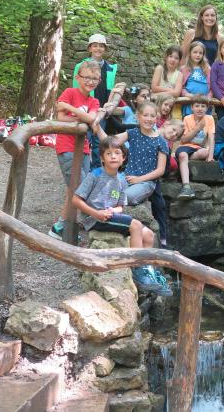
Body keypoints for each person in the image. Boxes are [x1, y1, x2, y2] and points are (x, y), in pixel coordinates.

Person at [72, 137, 171, 295]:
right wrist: (96, 213)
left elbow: (120, 206)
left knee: (149, 234)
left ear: (123, 157)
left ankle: (149, 273)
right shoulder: (95, 175)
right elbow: (76, 200)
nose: (113, 156)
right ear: (102, 158)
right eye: (109, 153)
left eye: (117, 153)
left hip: (110, 216)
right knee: (136, 225)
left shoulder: (121, 180)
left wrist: (113, 211)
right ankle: (138, 270)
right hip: (94, 218)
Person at [49, 61, 100, 240]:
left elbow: (90, 117)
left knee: (75, 188)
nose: (90, 81)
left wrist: (69, 108)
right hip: (67, 148)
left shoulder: (94, 100)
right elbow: (60, 117)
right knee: (81, 186)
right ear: (78, 78)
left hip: (84, 149)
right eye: (87, 77)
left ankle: (61, 226)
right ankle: (91, 223)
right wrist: (82, 118)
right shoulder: (70, 92)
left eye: (95, 78)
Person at [96, 102, 168, 206]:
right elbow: (108, 142)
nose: (149, 119)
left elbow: (160, 170)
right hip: (126, 178)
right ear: (138, 116)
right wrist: (97, 125)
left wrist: (139, 179)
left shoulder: (161, 142)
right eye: (145, 115)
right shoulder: (133, 133)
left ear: (156, 119)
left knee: (126, 196)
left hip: (146, 183)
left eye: (152, 116)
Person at [72, 34, 119, 169]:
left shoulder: (110, 68)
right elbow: (76, 87)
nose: (98, 48)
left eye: (101, 46)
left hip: (101, 110)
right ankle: (81, 168)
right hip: (85, 109)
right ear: (90, 48)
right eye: (95, 45)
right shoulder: (81, 66)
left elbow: (109, 88)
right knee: (85, 137)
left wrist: (108, 107)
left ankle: (97, 169)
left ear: (105, 48)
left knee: (99, 141)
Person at [175, 95, 215, 200]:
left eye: (203, 106)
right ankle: (186, 187)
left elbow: (211, 137)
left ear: (207, 108)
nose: (200, 109)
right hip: (185, 146)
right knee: (183, 155)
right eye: (197, 106)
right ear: (192, 107)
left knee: (205, 153)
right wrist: (197, 128)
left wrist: (210, 156)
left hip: (198, 148)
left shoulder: (209, 118)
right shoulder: (187, 118)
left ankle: (181, 158)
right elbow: (183, 140)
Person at [180, 41, 211, 117]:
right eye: (195, 52)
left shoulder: (207, 69)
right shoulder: (184, 69)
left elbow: (212, 86)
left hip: (204, 103)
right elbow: (181, 87)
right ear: (190, 53)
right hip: (189, 102)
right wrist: (186, 94)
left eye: (200, 53)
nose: (198, 55)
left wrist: (209, 97)